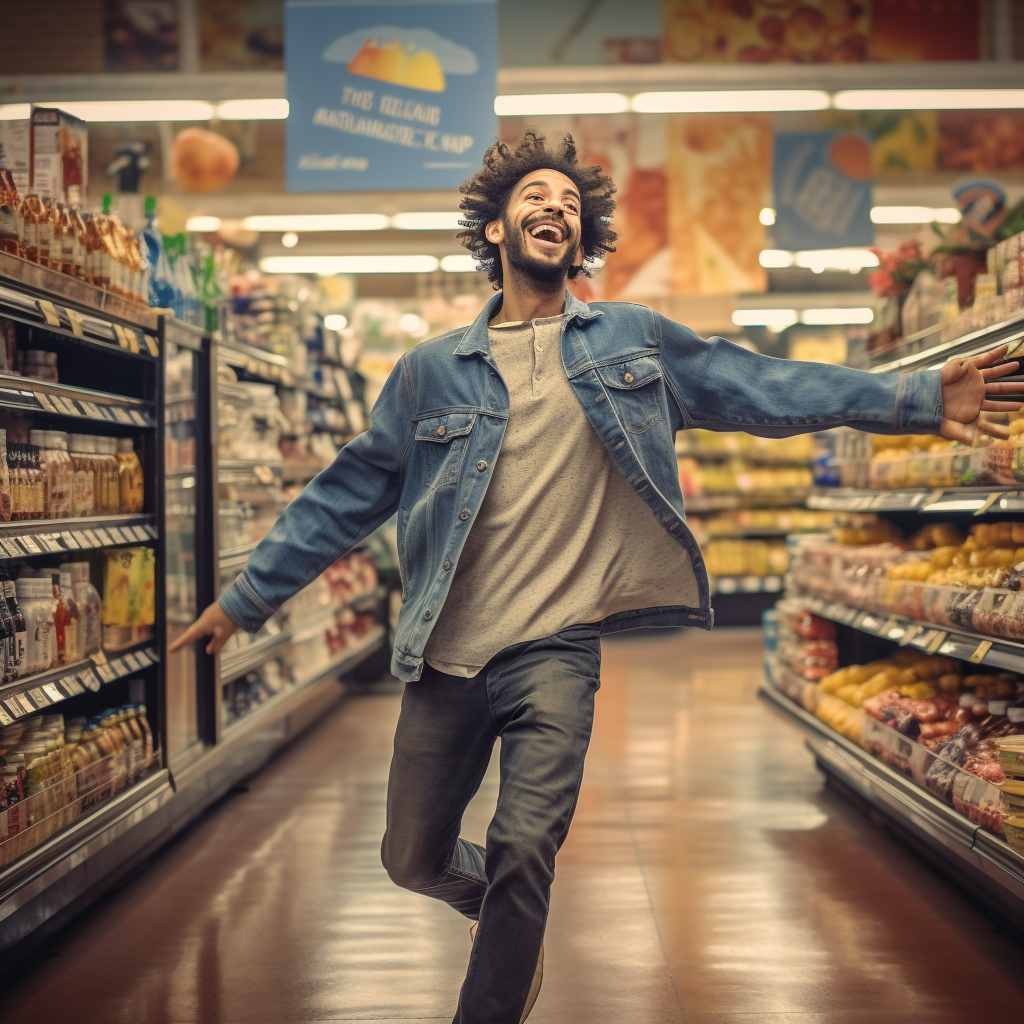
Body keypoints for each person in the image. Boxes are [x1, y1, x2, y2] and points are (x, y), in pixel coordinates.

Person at [171, 130, 1021, 1024]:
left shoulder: (635, 342)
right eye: (537, 197)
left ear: (583, 241)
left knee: (525, 846)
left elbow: (763, 387)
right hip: (446, 653)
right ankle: (497, 916)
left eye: (573, 206)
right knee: (411, 857)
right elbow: (345, 495)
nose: (557, 210)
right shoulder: (429, 373)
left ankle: (494, 991)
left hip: (556, 650)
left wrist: (918, 399)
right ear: (495, 229)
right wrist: (245, 600)